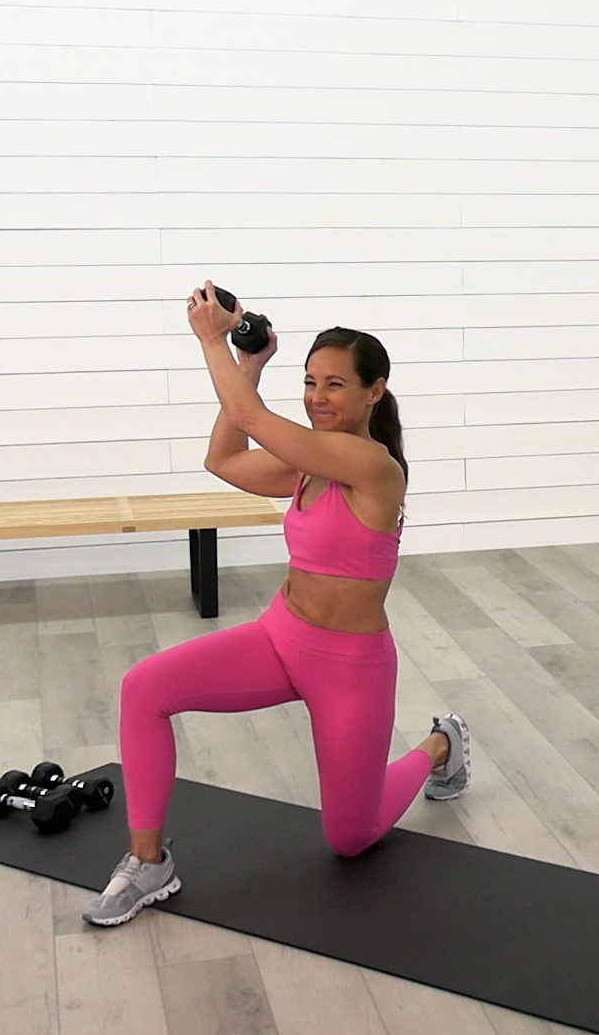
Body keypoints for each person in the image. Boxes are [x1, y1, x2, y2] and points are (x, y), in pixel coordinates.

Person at [84, 283, 472, 926]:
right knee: (143, 688)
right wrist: (249, 362)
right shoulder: (306, 466)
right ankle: (148, 862)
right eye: (311, 381)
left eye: (336, 384)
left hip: (350, 668)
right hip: (279, 638)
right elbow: (223, 457)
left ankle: (439, 743)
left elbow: (250, 421)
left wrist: (212, 338)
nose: (318, 397)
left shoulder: (372, 466)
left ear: (375, 390)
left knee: (350, 839)